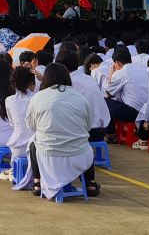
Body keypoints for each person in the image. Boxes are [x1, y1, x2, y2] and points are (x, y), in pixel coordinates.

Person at [22, 63, 98, 199]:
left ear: (45, 79)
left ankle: (37, 183)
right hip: (78, 155)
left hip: (48, 155)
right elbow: (88, 126)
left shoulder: (38, 97)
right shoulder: (79, 97)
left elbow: (31, 126)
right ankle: (90, 183)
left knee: (33, 145)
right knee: (87, 144)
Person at [103, 47, 149, 142]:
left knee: (104, 102)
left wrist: (111, 73)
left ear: (117, 62)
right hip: (146, 112)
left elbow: (108, 94)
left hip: (133, 113)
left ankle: (111, 134)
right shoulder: (143, 69)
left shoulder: (122, 72)